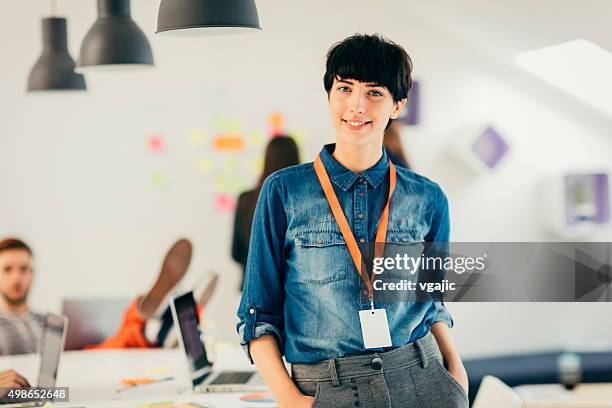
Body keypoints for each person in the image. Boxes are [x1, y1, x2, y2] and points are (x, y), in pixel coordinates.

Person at [237, 34, 468, 408]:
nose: (356, 105)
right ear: (329, 94)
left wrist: (456, 374)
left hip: (423, 379)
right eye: (345, 88)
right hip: (326, 389)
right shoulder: (283, 191)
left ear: (398, 105)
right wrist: (291, 399)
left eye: (374, 92)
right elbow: (258, 314)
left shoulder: (427, 197)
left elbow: (433, 301)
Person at [231, 135, 300, 290]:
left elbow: (236, 253)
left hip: (253, 290)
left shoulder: (246, 200)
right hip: (292, 294)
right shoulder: (303, 202)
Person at [0, 238, 45, 356]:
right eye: (7, 269)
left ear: (32, 273)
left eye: (23, 269)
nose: (16, 277)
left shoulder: (47, 323)